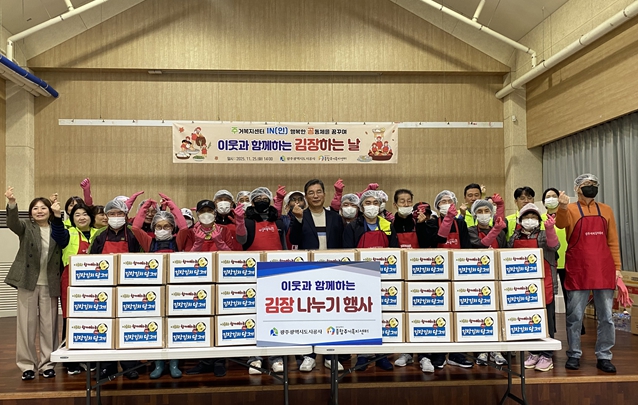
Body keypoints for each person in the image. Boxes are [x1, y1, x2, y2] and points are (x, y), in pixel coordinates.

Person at [556, 174, 622, 373]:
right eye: (586, 184)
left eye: (594, 184)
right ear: (577, 188)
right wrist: (562, 207)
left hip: (603, 269)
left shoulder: (606, 210)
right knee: (575, 316)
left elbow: (612, 241)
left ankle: (604, 355)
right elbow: (560, 224)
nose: (591, 187)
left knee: (607, 317)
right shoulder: (570, 209)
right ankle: (574, 354)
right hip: (579, 269)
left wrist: (617, 268)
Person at [4, 187, 61, 381]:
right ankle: (27, 365)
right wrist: (12, 203)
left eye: (43, 208)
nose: (39, 211)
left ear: (49, 211)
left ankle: (47, 364)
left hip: (50, 282)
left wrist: (57, 210)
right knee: (26, 326)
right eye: (35, 208)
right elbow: (12, 223)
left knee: (49, 326)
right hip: (28, 281)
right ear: (30, 213)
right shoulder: (26, 227)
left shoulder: (57, 228)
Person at [342, 190, 396, 372]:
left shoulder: (387, 225)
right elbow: (347, 253)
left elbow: (395, 251)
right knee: (362, 317)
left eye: (375, 202)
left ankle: (381, 356)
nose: (372, 206)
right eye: (368, 203)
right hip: (360, 278)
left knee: (382, 317)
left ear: (380, 206)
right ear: (361, 206)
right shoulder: (352, 226)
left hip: (385, 277)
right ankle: (362, 356)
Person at [89, 198, 143, 380]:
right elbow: (90, 259)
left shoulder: (134, 233)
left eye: (119, 213)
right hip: (104, 288)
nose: (116, 216)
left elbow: (142, 259)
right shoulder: (99, 235)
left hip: (129, 289)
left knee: (128, 327)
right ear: (106, 216)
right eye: (112, 213)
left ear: (126, 215)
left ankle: (130, 366)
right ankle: (107, 367)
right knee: (106, 327)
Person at [132, 198, 186, 379]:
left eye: (167, 226)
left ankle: (174, 363)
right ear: (154, 228)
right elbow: (136, 228)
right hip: (154, 290)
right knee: (156, 326)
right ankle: (158, 364)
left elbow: (184, 227)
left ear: (172, 228)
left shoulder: (178, 241)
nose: (163, 230)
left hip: (174, 289)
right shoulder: (149, 242)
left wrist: (172, 206)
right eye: (159, 226)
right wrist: (145, 207)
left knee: (174, 326)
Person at [421, 190, 473, 370]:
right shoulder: (431, 223)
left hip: (458, 275)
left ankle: (457, 354)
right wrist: (447, 220)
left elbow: (466, 249)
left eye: (449, 200)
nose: (446, 203)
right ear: (437, 206)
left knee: (459, 315)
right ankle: (439, 353)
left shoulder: (461, 223)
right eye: (442, 201)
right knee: (439, 317)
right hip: (437, 275)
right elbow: (432, 241)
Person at [509, 204, 559, 372]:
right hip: (522, 286)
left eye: (533, 217)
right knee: (530, 321)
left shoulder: (544, 234)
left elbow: (554, 246)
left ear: (539, 220)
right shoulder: (514, 237)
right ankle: (534, 352)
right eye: (526, 217)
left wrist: (550, 229)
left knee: (547, 321)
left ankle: (547, 355)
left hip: (545, 283)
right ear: (520, 220)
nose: (530, 220)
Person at [51, 202, 98, 375]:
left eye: (85, 214)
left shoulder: (98, 233)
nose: (81, 217)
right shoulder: (68, 232)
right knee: (70, 318)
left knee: (93, 319)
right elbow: (57, 234)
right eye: (77, 215)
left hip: (95, 280)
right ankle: (71, 361)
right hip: (71, 279)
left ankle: (91, 357)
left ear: (90, 217)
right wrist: (57, 217)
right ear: (72, 218)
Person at [467, 199, 509, 367]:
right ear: (474, 214)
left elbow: (505, 253)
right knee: (479, 316)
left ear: (492, 213)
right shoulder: (471, 231)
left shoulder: (500, 233)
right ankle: (481, 350)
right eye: (480, 211)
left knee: (496, 316)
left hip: (496, 278)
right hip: (477, 279)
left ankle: (496, 349)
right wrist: (496, 230)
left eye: (487, 211)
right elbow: (479, 245)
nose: (484, 214)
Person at [542, 188, 574, 334]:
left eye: (554, 196)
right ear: (544, 202)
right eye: (548, 196)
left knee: (571, 297)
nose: (551, 198)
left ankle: (574, 329)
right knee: (550, 297)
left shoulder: (567, 216)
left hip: (568, 261)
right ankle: (551, 328)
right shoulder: (540, 218)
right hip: (549, 262)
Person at [290, 179, 344, 251]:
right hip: (309, 258)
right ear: (306, 197)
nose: (315, 196)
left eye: (319, 192)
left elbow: (342, 243)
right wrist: (299, 219)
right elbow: (294, 240)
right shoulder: (300, 217)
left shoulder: (335, 217)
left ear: (324, 195)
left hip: (332, 258)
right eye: (311, 193)